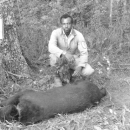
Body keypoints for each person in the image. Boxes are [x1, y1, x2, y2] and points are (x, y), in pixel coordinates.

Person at [48, 14, 94, 86]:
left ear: (72, 24)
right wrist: (64, 54)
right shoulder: (55, 33)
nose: (66, 26)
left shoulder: (79, 35)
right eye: (64, 24)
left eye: (68, 23)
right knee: (53, 57)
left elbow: (84, 53)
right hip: (60, 58)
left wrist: (80, 66)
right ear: (61, 24)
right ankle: (57, 77)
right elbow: (51, 47)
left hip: (72, 59)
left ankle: (71, 74)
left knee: (88, 71)